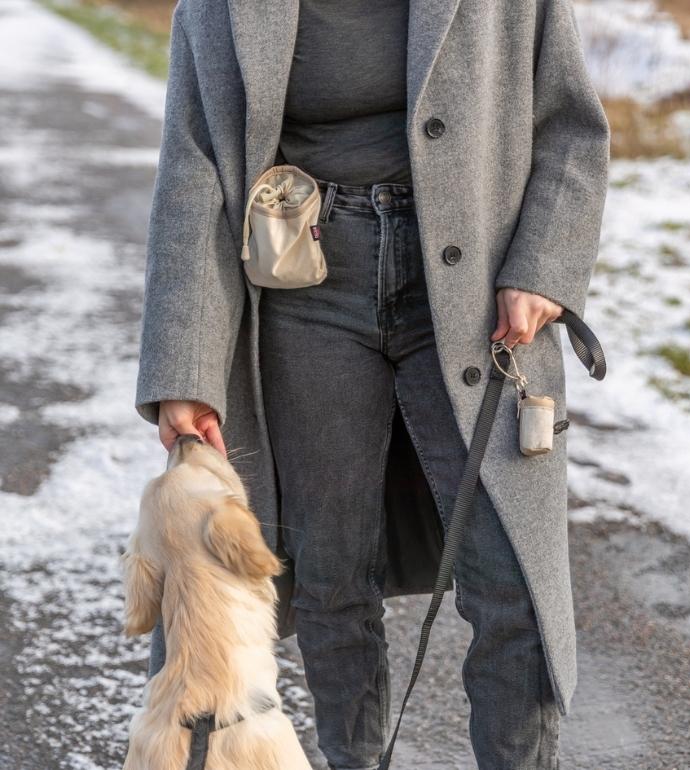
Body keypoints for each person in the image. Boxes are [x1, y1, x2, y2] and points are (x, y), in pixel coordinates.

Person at [136, 1, 610, 768]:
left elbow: (570, 128)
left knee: (511, 577)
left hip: (476, 294)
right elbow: (194, 165)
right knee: (328, 575)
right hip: (306, 285)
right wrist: (183, 370)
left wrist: (543, 266)